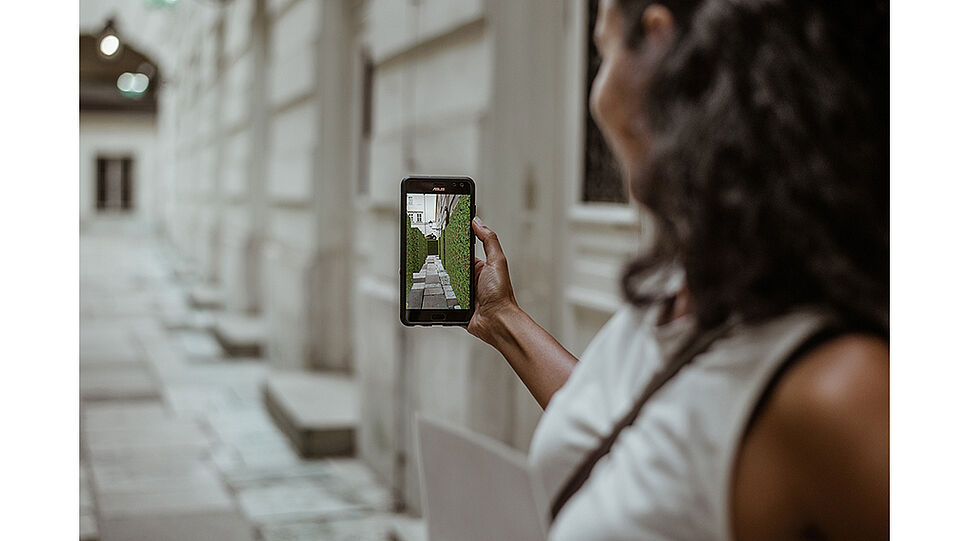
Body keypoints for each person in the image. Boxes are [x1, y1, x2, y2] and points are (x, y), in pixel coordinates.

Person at [465, 0, 888, 539]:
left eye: (603, 52)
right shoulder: (685, 282)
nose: (596, 101)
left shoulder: (840, 389)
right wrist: (501, 317)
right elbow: (633, 431)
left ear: (658, 47)